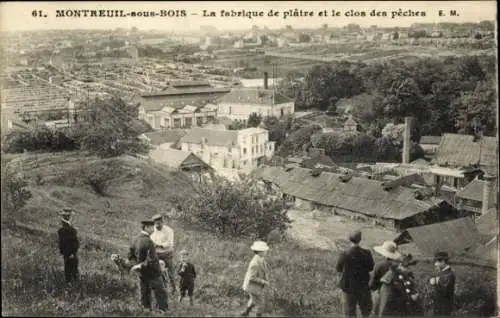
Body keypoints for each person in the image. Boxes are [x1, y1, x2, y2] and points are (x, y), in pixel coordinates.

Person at [128, 220, 169, 312]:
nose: (153, 229)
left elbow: (130, 256)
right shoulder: (149, 241)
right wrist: (142, 265)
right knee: (160, 292)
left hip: (141, 272)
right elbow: (152, 259)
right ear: (146, 227)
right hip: (153, 272)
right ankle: (164, 311)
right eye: (151, 227)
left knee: (144, 291)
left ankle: (146, 310)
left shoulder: (135, 239)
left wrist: (137, 266)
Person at [336, 230, 375, 318]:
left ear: (349, 239)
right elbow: (371, 267)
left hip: (348, 287)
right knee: (366, 311)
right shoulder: (366, 253)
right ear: (360, 240)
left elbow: (338, 268)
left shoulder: (344, 254)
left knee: (349, 313)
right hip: (363, 286)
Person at [241, 241, 270, 317]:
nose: (266, 252)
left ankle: (245, 313)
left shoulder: (261, 259)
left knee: (253, 300)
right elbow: (252, 277)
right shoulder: (255, 263)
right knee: (261, 304)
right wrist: (263, 282)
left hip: (255, 286)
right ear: (259, 252)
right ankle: (257, 315)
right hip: (251, 287)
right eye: (264, 251)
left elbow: (263, 269)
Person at [150, 214, 177, 294]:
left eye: (159, 223)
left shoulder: (169, 230)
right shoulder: (153, 230)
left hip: (167, 254)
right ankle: (162, 288)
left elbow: (170, 243)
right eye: (155, 224)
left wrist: (158, 245)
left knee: (170, 272)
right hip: (156, 254)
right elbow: (150, 240)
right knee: (158, 272)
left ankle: (173, 289)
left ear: (162, 222)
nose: (157, 225)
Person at [57, 208, 80, 284]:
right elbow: (67, 242)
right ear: (67, 217)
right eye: (69, 216)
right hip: (71, 254)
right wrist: (71, 253)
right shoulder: (68, 229)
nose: (70, 217)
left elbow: (62, 244)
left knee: (69, 271)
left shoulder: (66, 228)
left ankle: (70, 286)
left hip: (69, 254)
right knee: (72, 271)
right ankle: (73, 287)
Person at [429, 251, 456, 316]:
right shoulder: (442, 272)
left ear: (443, 261)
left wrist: (436, 280)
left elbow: (444, 287)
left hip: (444, 304)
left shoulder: (449, 273)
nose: (435, 264)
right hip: (439, 304)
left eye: (437, 262)